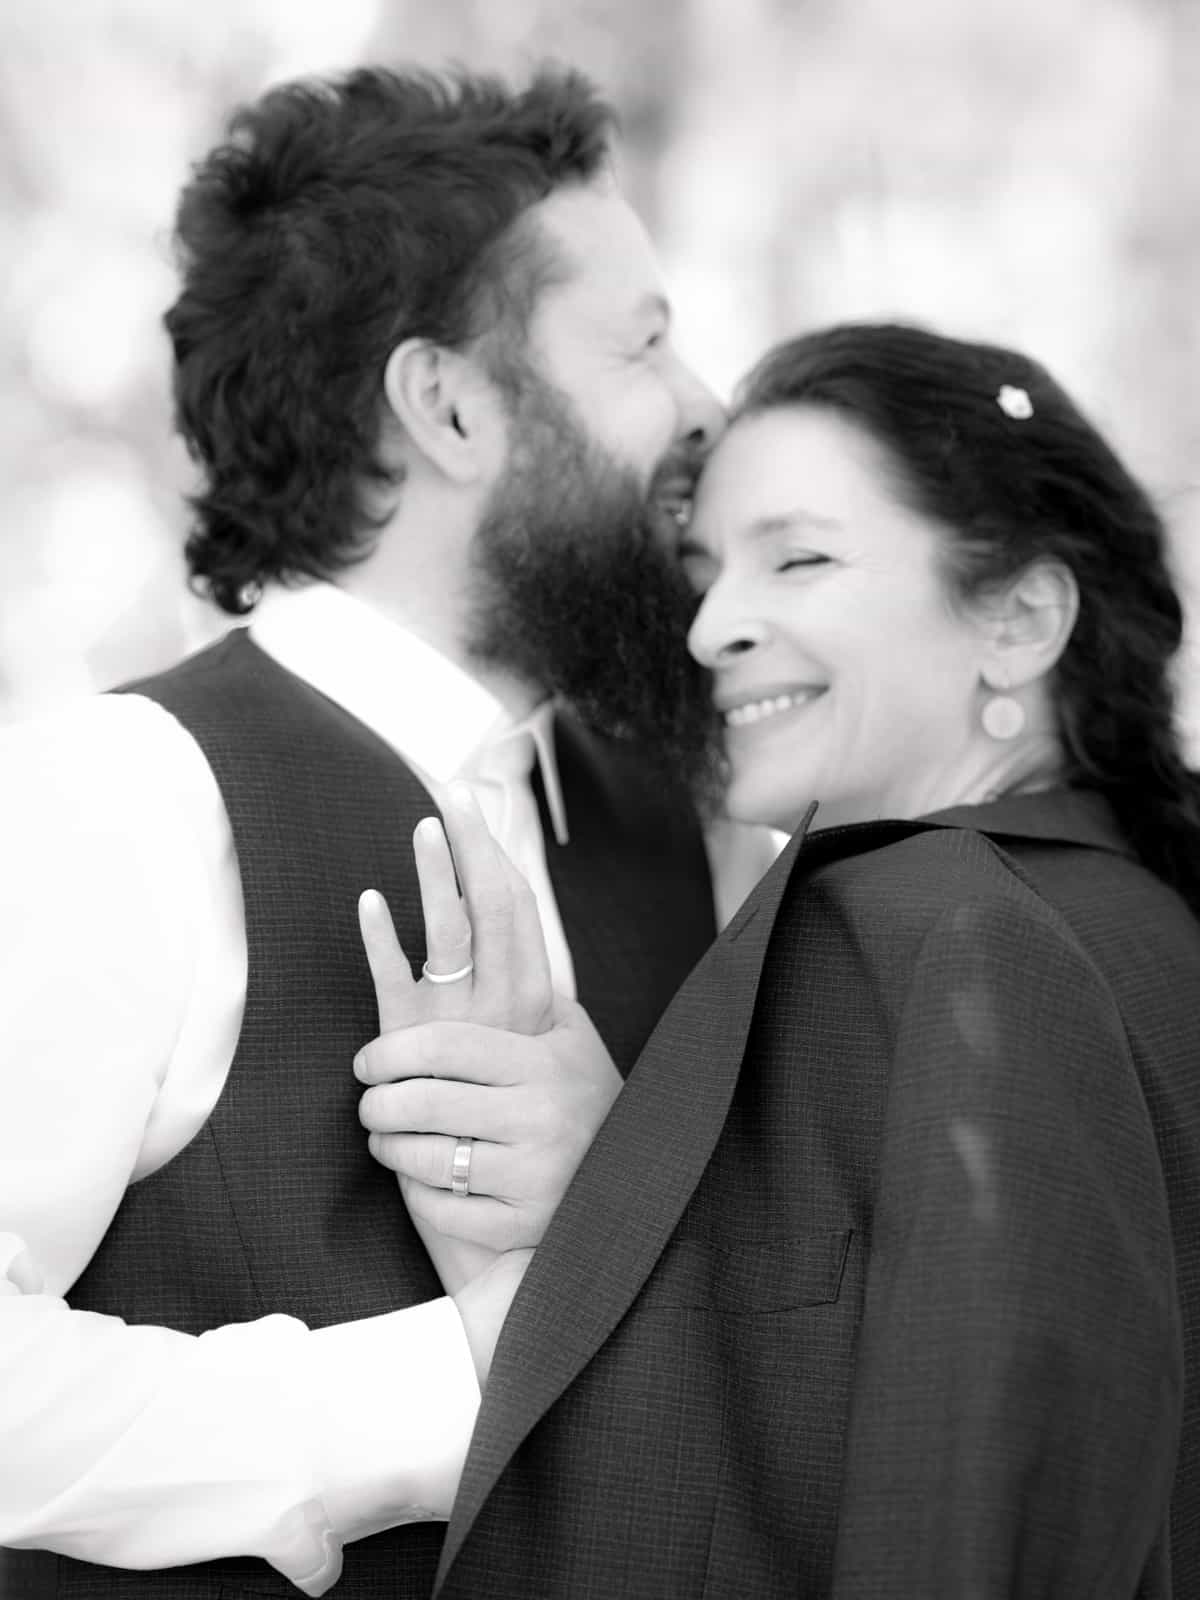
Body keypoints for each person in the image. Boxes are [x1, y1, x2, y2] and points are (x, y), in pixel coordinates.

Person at [0, 61, 767, 1599]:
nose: (708, 407)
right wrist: (468, 1373)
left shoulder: (661, 814)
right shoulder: (124, 796)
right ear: (450, 405)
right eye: (644, 346)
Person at [357, 322, 1200, 1597]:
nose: (708, 630)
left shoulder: (952, 932)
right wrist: (626, 1182)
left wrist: (584, 1232)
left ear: (1021, 618)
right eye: (703, 572)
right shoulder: (1136, 918)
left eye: (798, 558)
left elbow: (957, 1509)